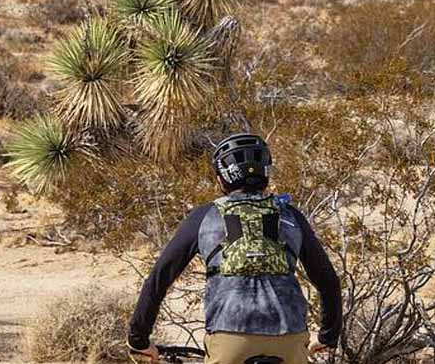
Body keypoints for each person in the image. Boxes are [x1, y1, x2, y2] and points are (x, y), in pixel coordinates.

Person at [129, 133, 343, 364]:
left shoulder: (205, 217)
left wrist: (138, 339)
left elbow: (159, 278)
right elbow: (327, 280)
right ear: (266, 174)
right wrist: (327, 336)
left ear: (221, 180)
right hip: (289, 336)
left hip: (230, 335)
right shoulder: (291, 216)